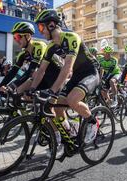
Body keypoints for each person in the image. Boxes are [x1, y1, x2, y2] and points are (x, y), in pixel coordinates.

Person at [34, 9, 100, 152]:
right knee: (58, 107)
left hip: (90, 72)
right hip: (77, 75)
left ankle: (93, 122)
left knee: (72, 100)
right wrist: (32, 89)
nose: (40, 32)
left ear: (51, 25)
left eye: (40, 27)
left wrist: (52, 91)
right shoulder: (51, 46)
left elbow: (67, 66)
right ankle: (69, 132)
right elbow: (40, 71)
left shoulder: (71, 37)